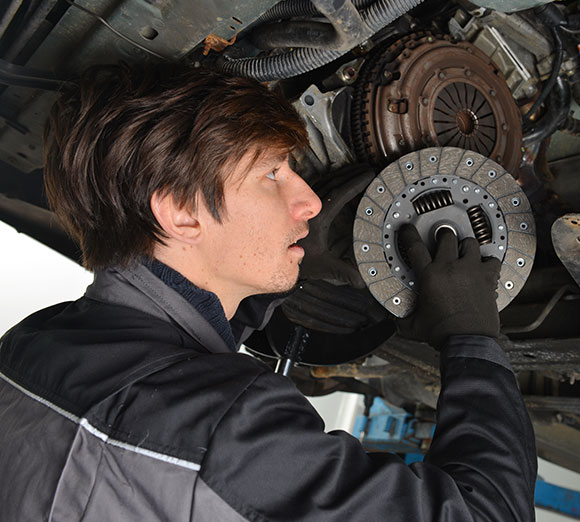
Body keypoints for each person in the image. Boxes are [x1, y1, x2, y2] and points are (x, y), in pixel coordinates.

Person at [0, 63, 536, 521]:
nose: (309, 201)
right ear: (181, 213)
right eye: (273, 174)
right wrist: (471, 336)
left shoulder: (29, 349)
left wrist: (273, 292)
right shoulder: (226, 426)